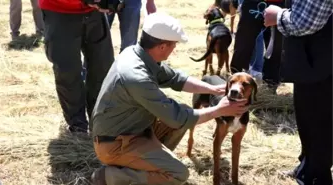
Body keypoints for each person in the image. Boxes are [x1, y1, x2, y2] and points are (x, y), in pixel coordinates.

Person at [89, 12, 249, 185]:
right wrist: (219, 109)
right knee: (178, 173)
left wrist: (213, 89)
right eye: (174, 45)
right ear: (162, 47)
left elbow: (176, 79)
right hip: (115, 145)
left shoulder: (138, 54)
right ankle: (110, 177)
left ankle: (149, 164)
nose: (175, 49)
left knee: (181, 118)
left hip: (132, 130)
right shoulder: (136, 76)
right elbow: (177, 117)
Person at [264, 1, 333, 184]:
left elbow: (306, 22)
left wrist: (277, 16)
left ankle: (315, 176)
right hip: (316, 61)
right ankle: (307, 167)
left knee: (317, 124)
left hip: (319, 63)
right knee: (310, 119)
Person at [38, 0, 115, 133]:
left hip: (94, 13)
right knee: (68, 72)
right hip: (60, 12)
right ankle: (77, 126)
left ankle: (99, 121)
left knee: (103, 68)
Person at [222, 0, 284, 91]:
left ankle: (271, 85)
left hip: (277, 3)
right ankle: (235, 82)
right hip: (253, 3)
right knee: (243, 44)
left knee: (276, 46)